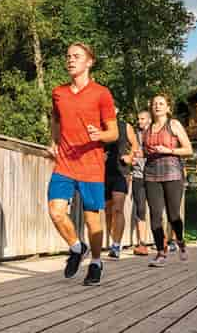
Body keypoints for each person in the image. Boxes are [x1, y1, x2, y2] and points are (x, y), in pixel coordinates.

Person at [48, 43, 118, 286]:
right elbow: (56, 120)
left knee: (91, 219)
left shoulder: (102, 93)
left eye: (76, 56)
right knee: (56, 212)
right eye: (68, 56)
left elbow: (114, 133)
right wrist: (54, 142)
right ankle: (77, 247)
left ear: (89, 62)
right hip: (65, 163)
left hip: (91, 165)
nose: (70, 60)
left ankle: (96, 262)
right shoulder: (58, 92)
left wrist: (99, 135)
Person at [143, 94, 193, 267]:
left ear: (168, 108)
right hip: (150, 174)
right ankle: (160, 252)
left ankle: (180, 241)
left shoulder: (174, 125)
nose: (157, 106)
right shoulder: (147, 128)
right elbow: (145, 151)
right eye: (155, 103)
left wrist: (169, 150)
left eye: (161, 103)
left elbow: (188, 149)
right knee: (155, 215)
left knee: (173, 216)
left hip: (172, 173)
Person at [105, 109, 138, 259]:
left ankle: (116, 245)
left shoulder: (126, 127)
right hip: (103, 172)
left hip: (121, 172)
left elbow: (135, 145)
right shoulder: (101, 127)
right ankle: (108, 241)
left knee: (118, 208)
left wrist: (130, 156)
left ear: (117, 111)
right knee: (107, 210)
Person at [131, 110, 151, 256]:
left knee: (157, 209)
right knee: (140, 209)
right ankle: (142, 243)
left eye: (143, 119)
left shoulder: (156, 133)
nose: (140, 121)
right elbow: (130, 151)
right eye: (139, 119)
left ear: (149, 120)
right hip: (138, 175)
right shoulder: (134, 134)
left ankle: (161, 240)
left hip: (154, 175)